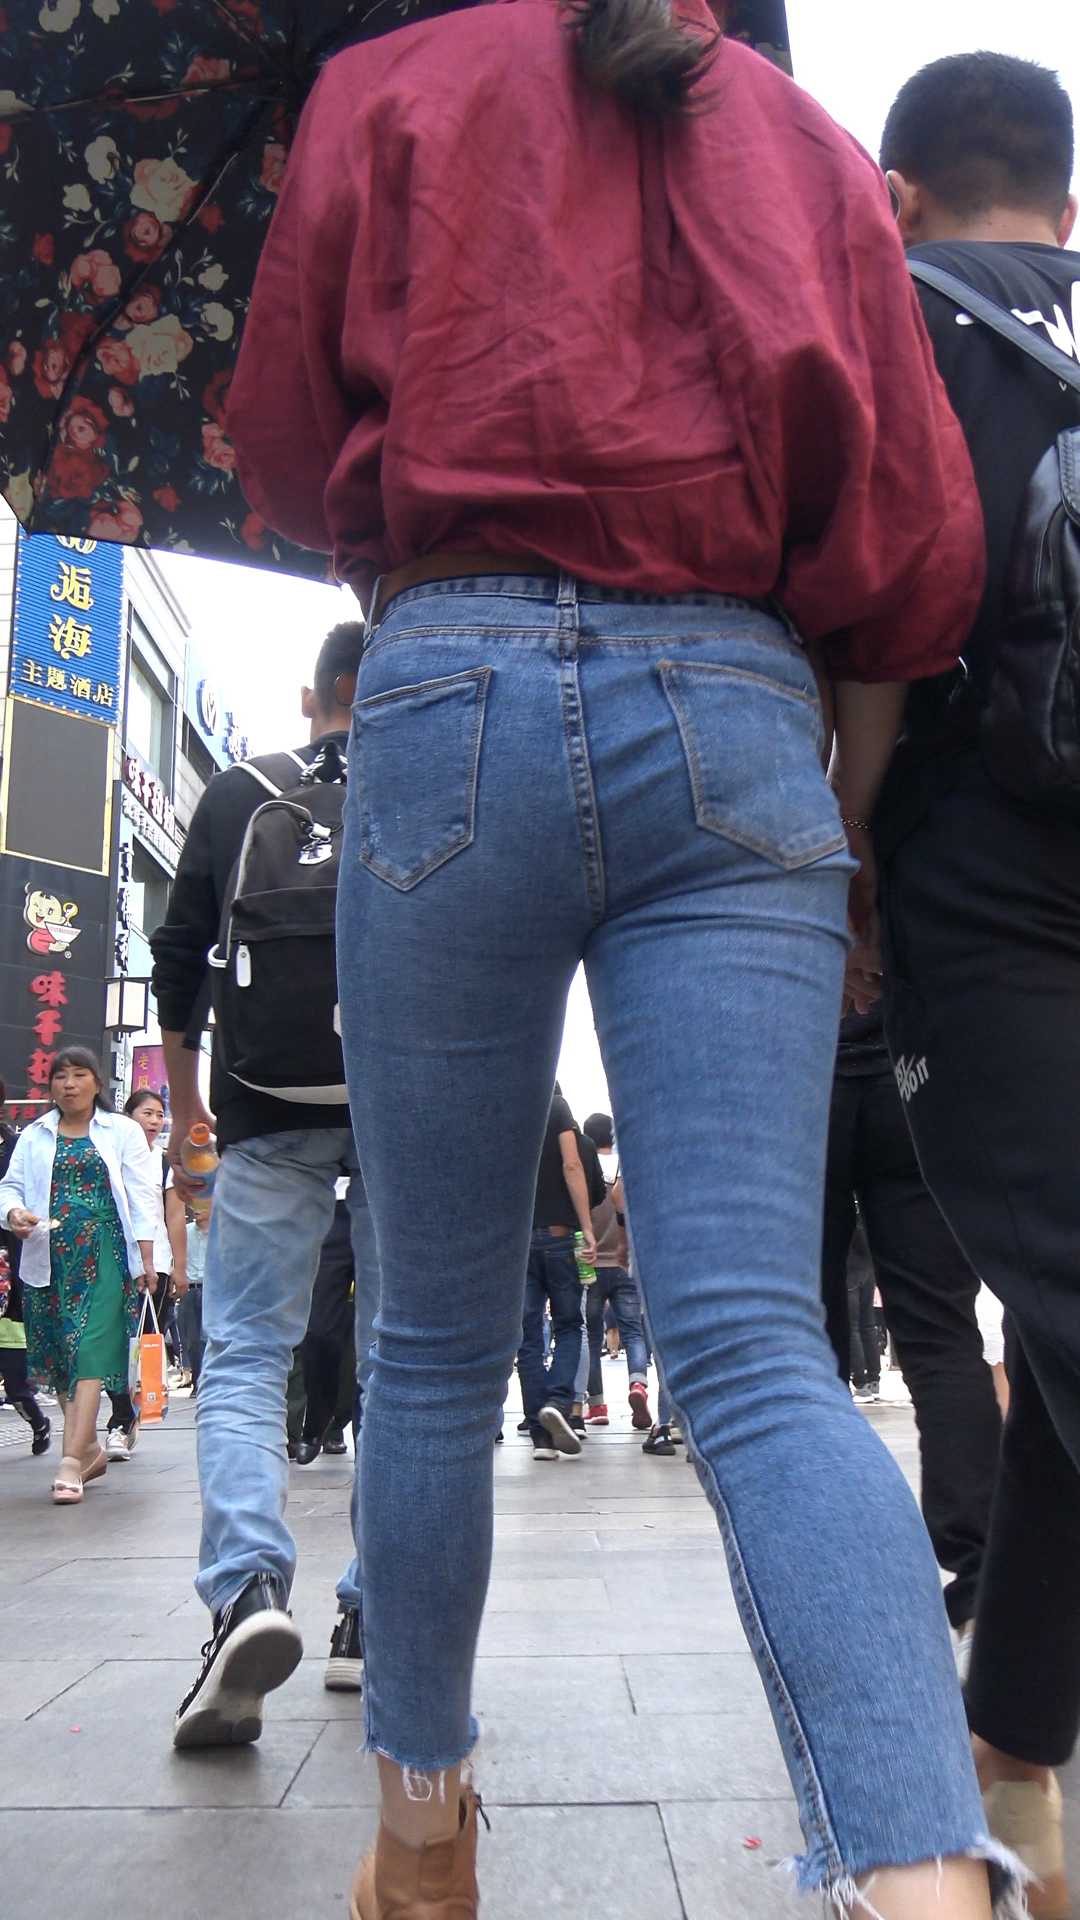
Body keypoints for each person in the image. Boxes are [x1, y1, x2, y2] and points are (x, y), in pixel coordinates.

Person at [228, 2, 1013, 1914]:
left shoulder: (387, 89)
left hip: (447, 684)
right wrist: (842, 823)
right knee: (752, 1342)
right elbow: (911, 539)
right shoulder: (803, 141)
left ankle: (422, 1833)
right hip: (740, 702)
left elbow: (283, 445)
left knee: (430, 1344)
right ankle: (921, 1880)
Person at [876, 52, 1079, 1919]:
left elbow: (873, 624)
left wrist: (849, 865)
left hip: (989, 894)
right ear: (1072, 208)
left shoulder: (900, 334)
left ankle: (1009, 1767)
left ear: (900, 199)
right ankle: (1016, 1755)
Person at [152, 623, 378, 1749]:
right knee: (402, 1364)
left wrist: (191, 1103)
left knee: (244, 1353)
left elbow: (180, 953)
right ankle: (371, 1620)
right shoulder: (428, 783)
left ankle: (245, 1593)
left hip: (262, 1107)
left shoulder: (241, 790)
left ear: (311, 694)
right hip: (400, 1107)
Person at [822, 1006, 1002, 1647]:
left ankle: (824, 1564)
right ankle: (983, 1586)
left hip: (803, 1078)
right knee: (942, 1337)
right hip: (913, 1075)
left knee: (801, 1348)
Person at [0, 1049, 159, 1504]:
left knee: (89, 1346)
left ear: (97, 1083)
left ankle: (70, 1461)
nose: (68, 1084)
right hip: (48, 1254)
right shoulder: (34, 1135)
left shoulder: (122, 1131)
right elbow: (9, 1187)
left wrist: (147, 1259)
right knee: (62, 1354)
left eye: (79, 1075)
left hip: (105, 1250)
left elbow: (142, 1195)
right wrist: (13, 1213)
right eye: (60, 1076)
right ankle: (87, 1449)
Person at [105, 1087, 187, 1460]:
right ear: (128, 1117)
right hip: (109, 1260)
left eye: (158, 1114)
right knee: (109, 1344)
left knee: (137, 1345)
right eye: (146, 1113)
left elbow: (174, 1217)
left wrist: (180, 1269)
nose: (154, 1121)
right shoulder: (109, 1155)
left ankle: (122, 1423)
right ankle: (123, 1418)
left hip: (156, 1266)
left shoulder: (165, 1163)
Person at [516, 1089, 598, 1461]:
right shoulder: (555, 1105)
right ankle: (558, 1400)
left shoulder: (505, 1105)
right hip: (560, 1237)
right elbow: (572, 1166)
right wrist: (587, 1228)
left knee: (528, 1335)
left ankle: (540, 1436)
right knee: (569, 1325)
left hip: (518, 1242)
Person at [581, 1113, 652, 1431]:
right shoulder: (627, 1169)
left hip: (591, 1265)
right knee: (633, 1332)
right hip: (625, 1263)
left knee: (591, 1336)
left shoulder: (583, 1171)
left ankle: (597, 1405)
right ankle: (638, 1384)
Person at [295, 1186, 359, 1466]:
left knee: (373, 1337)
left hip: (379, 1202)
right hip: (327, 1206)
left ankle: (366, 1438)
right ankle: (318, 1420)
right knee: (318, 1332)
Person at [175, 1202, 209, 1393]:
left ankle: (207, 1382)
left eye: (201, 1205)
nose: (196, 1209)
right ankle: (197, 1381)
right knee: (191, 1340)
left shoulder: (219, 1233)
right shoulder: (185, 1232)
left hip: (210, 1290)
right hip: (189, 1289)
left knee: (207, 1338)